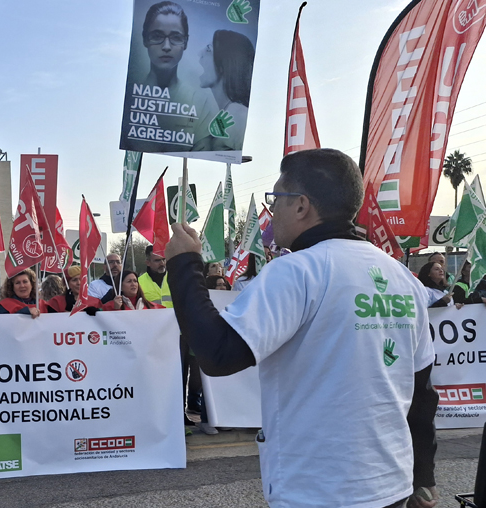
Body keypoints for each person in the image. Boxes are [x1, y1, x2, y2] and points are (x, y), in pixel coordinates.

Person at [165, 149, 438, 508]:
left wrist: (184, 265)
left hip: (317, 489)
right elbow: (422, 393)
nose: (272, 211)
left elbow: (217, 354)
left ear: (301, 205)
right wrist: (423, 479)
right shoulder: (403, 277)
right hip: (391, 483)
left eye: (276, 198)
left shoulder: (297, 271)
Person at [123, 1, 214, 153]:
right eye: (157, 36)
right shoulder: (130, 103)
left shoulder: (199, 103)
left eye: (176, 37)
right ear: (145, 39)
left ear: (185, 42)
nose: (166, 46)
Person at [192, 30, 256, 152]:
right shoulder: (229, 111)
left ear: (223, 63)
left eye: (208, 50)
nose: (199, 53)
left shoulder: (236, 113)